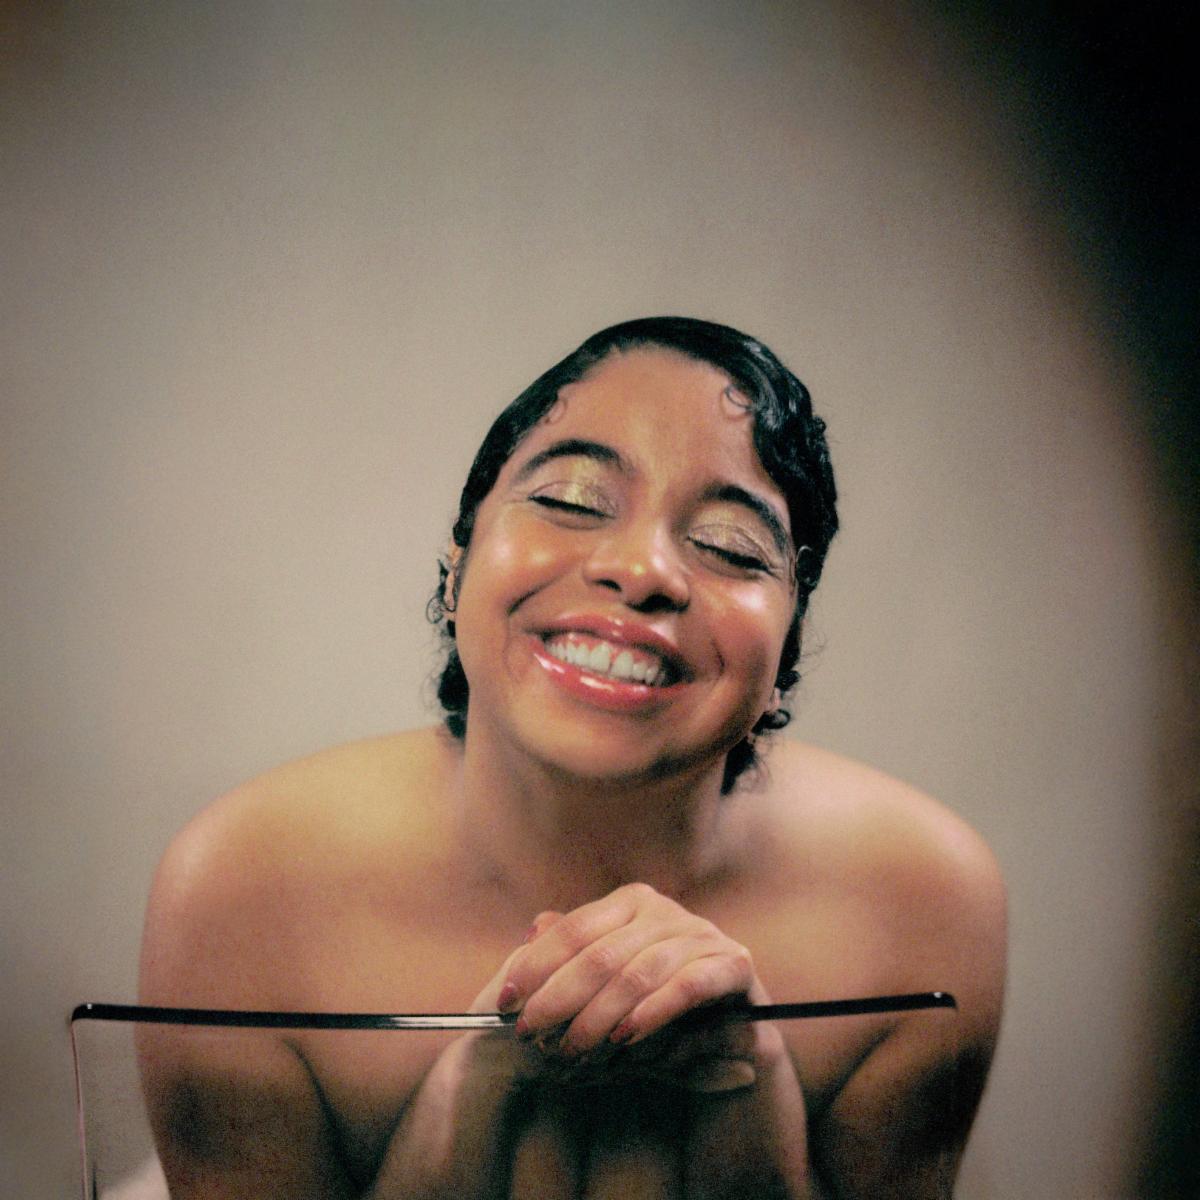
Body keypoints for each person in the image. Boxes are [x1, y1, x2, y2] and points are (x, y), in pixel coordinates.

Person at [137, 317, 1006, 1198]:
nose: (642, 569)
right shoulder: (245, 888)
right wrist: (471, 1094)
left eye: (730, 547)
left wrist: (753, 1094)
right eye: (574, 501)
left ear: (784, 656)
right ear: (457, 568)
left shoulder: (920, 905)